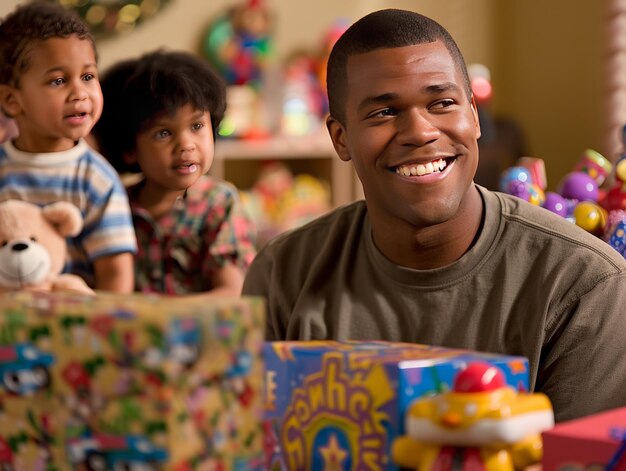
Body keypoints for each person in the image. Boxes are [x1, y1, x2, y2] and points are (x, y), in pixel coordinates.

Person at [242, 8, 626, 422]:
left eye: (442, 102)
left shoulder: (584, 285)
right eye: (383, 112)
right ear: (341, 137)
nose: (421, 131)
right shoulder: (285, 274)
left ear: (473, 116)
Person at [92, 50, 256, 296]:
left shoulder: (219, 203)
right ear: (129, 149)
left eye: (197, 126)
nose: (186, 145)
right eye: (164, 133)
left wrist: (166, 320)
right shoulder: (115, 206)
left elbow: (231, 293)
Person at [0, 1, 136, 292]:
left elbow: (115, 276)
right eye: (58, 80)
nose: (79, 93)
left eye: (88, 76)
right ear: (12, 100)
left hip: (74, 327)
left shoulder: (97, 179)